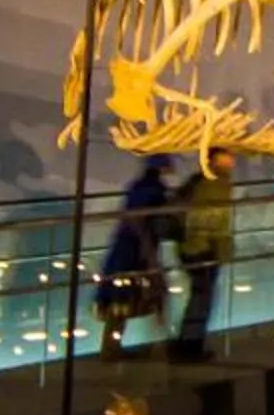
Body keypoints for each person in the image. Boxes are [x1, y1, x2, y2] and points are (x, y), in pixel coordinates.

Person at [96, 159, 176, 355]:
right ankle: (162, 342)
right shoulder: (156, 190)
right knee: (153, 293)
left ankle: (111, 346)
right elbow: (142, 221)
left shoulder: (137, 188)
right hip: (136, 251)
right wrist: (149, 253)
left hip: (124, 250)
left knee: (120, 298)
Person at [169, 147, 237, 361]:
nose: (232, 160)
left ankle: (186, 343)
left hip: (195, 248)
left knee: (199, 298)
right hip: (204, 250)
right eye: (227, 156)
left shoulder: (198, 181)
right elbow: (211, 218)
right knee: (202, 299)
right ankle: (190, 347)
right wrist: (216, 247)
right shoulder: (215, 184)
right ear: (216, 160)